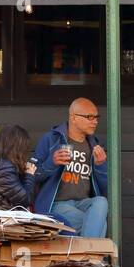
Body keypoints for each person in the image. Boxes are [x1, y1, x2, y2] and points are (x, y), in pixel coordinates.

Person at [32, 98, 110, 237]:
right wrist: (52, 163)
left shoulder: (95, 145)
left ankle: (87, 255)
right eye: (89, 117)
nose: (95, 121)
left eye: (96, 117)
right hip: (57, 205)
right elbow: (32, 175)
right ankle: (93, 255)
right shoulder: (51, 139)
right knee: (100, 224)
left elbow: (106, 190)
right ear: (73, 118)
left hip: (84, 203)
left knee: (101, 202)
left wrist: (100, 167)